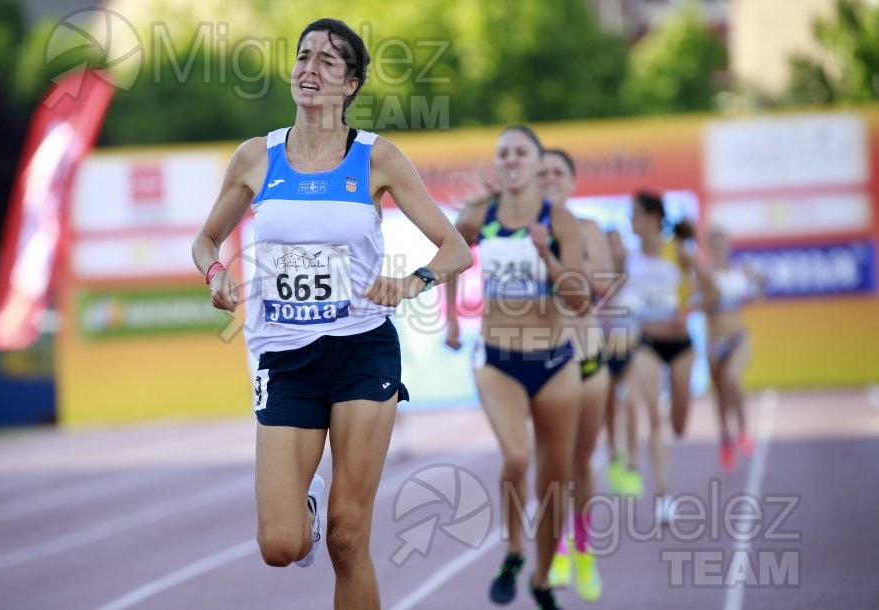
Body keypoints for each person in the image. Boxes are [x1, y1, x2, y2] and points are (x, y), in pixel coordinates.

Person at [191, 18, 471, 610]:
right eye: (303, 56)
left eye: (327, 61)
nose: (309, 69)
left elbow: (456, 249)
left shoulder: (376, 158)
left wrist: (413, 281)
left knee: (348, 538)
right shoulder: (254, 158)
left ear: (351, 84)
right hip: (285, 358)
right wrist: (216, 274)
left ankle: (336, 521)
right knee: (280, 544)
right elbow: (205, 241)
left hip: (360, 350)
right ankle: (306, 503)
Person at [445, 126, 590, 610]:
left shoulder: (560, 219)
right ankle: (512, 551)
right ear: (499, 163)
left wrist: (545, 250)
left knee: (554, 481)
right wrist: (449, 321)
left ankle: (543, 580)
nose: (511, 159)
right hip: (498, 358)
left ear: (535, 163)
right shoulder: (478, 216)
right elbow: (451, 257)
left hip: (555, 362)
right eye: (503, 152)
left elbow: (580, 300)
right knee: (517, 458)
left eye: (520, 152)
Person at [540, 149, 609, 602]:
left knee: (580, 462)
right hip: (540, 362)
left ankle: (583, 548)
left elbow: (598, 287)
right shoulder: (517, 230)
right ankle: (557, 546)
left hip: (584, 358)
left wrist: (554, 257)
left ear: (571, 182)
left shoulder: (586, 230)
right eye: (540, 172)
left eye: (557, 172)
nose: (548, 178)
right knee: (551, 464)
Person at [626, 192, 715, 524]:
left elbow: (713, 289)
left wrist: (688, 310)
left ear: (653, 218)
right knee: (653, 415)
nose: (630, 220)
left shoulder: (677, 251)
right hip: (646, 343)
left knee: (678, 425)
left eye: (634, 213)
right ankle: (664, 495)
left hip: (680, 346)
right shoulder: (630, 257)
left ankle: (677, 423)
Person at [704, 227, 764, 470]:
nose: (719, 251)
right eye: (714, 247)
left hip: (737, 339)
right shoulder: (705, 275)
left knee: (732, 380)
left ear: (729, 248)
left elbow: (757, 296)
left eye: (723, 246)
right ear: (709, 249)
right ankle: (725, 438)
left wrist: (758, 279)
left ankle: (743, 429)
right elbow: (697, 304)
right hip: (713, 343)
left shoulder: (739, 273)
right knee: (719, 396)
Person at [600, 228, 644, 498]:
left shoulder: (635, 273)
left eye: (617, 242)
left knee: (631, 405)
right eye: (610, 243)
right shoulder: (598, 277)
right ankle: (615, 458)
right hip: (605, 353)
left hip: (631, 349)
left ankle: (633, 463)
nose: (615, 247)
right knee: (609, 411)